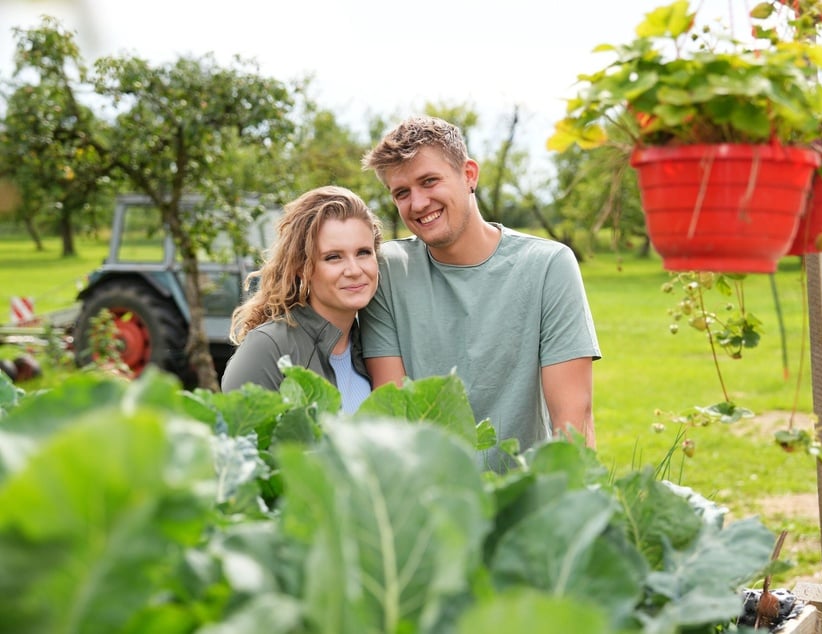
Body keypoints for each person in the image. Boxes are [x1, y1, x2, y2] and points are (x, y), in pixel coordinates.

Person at [359, 115, 601, 470]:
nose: (418, 203)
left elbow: (573, 420)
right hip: (430, 494)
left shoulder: (548, 265)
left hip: (522, 495)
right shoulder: (389, 271)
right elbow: (393, 415)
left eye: (429, 181)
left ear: (469, 175)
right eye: (402, 193)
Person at [221, 185, 382, 414]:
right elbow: (239, 441)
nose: (354, 270)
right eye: (333, 257)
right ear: (301, 268)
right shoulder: (267, 348)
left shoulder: (377, 345)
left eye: (363, 252)